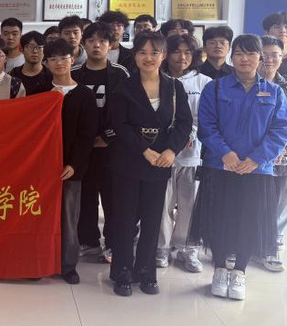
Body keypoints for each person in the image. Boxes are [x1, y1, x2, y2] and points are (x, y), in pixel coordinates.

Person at [188, 34, 287, 301]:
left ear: (261, 58)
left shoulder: (275, 92)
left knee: (250, 221)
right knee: (219, 218)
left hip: (257, 170)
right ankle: (220, 268)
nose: (245, 59)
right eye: (239, 54)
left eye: (251, 53)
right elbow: (206, 125)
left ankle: (240, 272)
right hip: (220, 166)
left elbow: (281, 130)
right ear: (231, 57)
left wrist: (256, 158)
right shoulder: (216, 89)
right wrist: (226, 153)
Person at [108, 32, 192, 296]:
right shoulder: (123, 86)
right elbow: (118, 124)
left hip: (160, 163)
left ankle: (146, 272)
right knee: (125, 219)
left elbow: (184, 123)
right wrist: (143, 150)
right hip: (128, 161)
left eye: (154, 52)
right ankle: (122, 271)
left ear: (163, 56)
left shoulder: (175, 88)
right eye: (142, 52)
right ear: (134, 55)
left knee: (153, 219)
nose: (148, 58)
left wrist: (171, 150)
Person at [72, 22, 129, 263]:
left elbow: (126, 111)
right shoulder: (74, 73)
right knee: (85, 196)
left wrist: (107, 136)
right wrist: (84, 140)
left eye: (103, 41)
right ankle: (89, 242)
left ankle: (113, 243)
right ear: (83, 44)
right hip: (83, 148)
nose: (97, 45)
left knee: (112, 197)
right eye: (91, 40)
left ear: (111, 44)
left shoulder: (120, 74)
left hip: (112, 148)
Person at [44, 39, 99, 285]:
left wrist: (74, 164)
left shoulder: (84, 94)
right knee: (42, 215)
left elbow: (87, 135)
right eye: (53, 59)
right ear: (46, 63)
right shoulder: (41, 91)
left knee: (68, 218)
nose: (59, 63)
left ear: (73, 60)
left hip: (71, 168)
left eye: (63, 58)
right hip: (42, 167)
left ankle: (68, 265)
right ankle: (42, 261)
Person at [156, 34, 211, 272]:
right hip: (162, 154)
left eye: (188, 52)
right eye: (176, 51)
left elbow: (205, 117)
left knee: (189, 204)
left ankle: (187, 248)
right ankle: (162, 247)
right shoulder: (157, 78)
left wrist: (191, 134)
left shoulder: (204, 82)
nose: (182, 57)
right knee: (163, 203)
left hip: (191, 154)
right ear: (166, 54)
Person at [258, 35, 287, 272]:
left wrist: (282, 148)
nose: (269, 59)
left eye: (274, 55)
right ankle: (244, 244)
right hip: (252, 154)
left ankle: (270, 247)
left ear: (282, 57)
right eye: (263, 55)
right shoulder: (246, 85)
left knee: (277, 201)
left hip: (280, 154)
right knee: (248, 200)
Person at [10, 31, 51, 96]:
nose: (35, 51)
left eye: (39, 47)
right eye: (30, 47)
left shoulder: (50, 76)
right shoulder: (13, 75)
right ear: (21, 49)